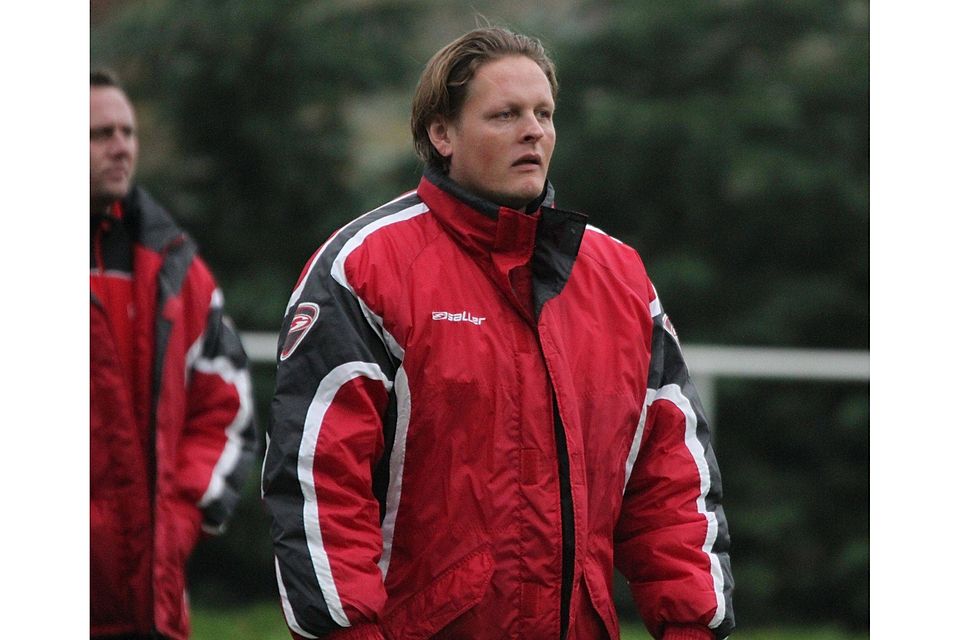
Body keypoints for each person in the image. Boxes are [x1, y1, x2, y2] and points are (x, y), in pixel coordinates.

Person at [262, 27, 734, 640]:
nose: (534, 130)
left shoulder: (619, 277)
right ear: (442, 134)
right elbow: (318, 483)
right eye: (505, 114)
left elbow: (671, 477)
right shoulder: (364, 268)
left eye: (544, 113)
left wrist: (692, 626)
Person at [90, 69, 258, 640]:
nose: (121, 146)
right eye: (99, 134)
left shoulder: (178, 271)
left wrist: (182, 517)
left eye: (127, 132)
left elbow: (227, 408)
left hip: (152, 604)